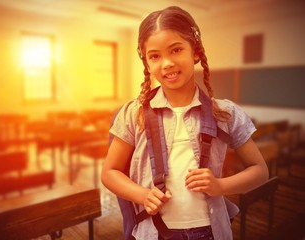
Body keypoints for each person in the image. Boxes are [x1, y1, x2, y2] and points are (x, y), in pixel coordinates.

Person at [101, 6, 269, 240]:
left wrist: (220, 186)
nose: (167, 63)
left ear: (196, 52)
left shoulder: (226, 113)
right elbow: (110, 172)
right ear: (147, 63)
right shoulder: (134, 113)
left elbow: (260, 171)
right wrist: (142, 195)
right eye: (155, 56)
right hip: (153, 232)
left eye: (176, 50)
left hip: (210, 232)